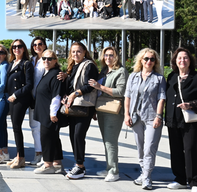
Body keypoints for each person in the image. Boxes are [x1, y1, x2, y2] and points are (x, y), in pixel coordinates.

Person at [165, 48, 197, 192]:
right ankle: (180, 179)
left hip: (190, 120)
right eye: (179, 58)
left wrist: (190, 105)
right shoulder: (171, 76)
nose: (182, 61)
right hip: (173, 119)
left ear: (190, 60)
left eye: (185, 58)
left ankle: (195, 182)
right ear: (175, 61)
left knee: (190, 150)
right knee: (175, 150)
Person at [124, 48, 166, 190]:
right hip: (136, 117)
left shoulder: (159, 78)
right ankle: (143, 172)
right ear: (141, 60)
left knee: (149, 148)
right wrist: (126, 114)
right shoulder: (133, 76)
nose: (149, 61)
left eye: (152, 59)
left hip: (151, 118)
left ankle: (147, 177)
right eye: (146, 59)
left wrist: (158, 117)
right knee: (140, 148)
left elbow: (161, 98)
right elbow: (127, 96)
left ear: (155, 62)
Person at [88, 46, 127, 182]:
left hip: (114, 110)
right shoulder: (104, 71)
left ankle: (114, 171)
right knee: (106, 141)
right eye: (106, 55)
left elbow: (121, 92)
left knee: (111, 141)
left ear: (116, 56)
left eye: (111, 55)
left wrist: (100, 87)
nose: (108, 58)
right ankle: (108, 167)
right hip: (102, 108)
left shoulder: (121, 71)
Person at [63, 42, 99, 180]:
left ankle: (80, 166)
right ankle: (78, 164)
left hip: (84, 106)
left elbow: (90, 86)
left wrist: (74, 94)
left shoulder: (88, 65)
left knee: (78, 135)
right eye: (73, 52)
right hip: (74, 106)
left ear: (84, 52)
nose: (75, 54)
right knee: (73, 135)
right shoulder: (73, 67)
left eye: (78, 51)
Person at [33, 49, 65, 174]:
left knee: (46, 137)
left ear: (55, 61)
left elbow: (56, 96)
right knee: (53, 137)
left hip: (49, 113)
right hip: (44, 111)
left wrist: (52, 113)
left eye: (50, 59)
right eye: (44, 59)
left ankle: (47, 164)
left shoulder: (56, 74)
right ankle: (57, 163)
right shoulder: (48, 73)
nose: (46, 61)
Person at [6, 39, 34, 168]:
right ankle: (18, 156)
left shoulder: (26, 64)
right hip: (12, 98)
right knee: (15, 128)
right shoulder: (11, 63)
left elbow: (29, 85)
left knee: (17, 128)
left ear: (24, 48)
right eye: (14, 47)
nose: (16, 49)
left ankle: (21, 158)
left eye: (19, 46)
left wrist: (16, 95)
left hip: (20, 98)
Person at [28, 37, 46, 165]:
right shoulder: (32, 60)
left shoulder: (47, 59)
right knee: (34, 127)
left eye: (40, 44)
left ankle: (45, 155)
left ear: (44, 45)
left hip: (44, 98)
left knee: (43, 127)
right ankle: (38, 152)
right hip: (32, 98)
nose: (37, 46)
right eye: (35, 44)